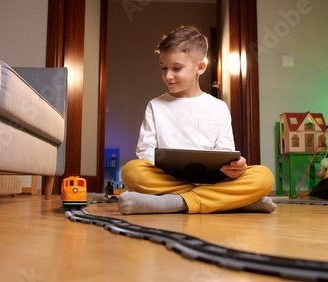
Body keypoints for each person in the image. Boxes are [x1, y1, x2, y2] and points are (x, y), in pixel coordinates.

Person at [118, 26, 275, 215]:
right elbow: (145, 151)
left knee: (264, 177)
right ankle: (230, 201)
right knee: (132, 171)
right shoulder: (155, 105)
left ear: (200, 67)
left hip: (214, 180)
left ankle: (176, 202)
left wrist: (236, 166)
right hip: (168, 178)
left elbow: (225, 151)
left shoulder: (218, 107)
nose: (168, 76)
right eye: (163, 68)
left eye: (176, 68)